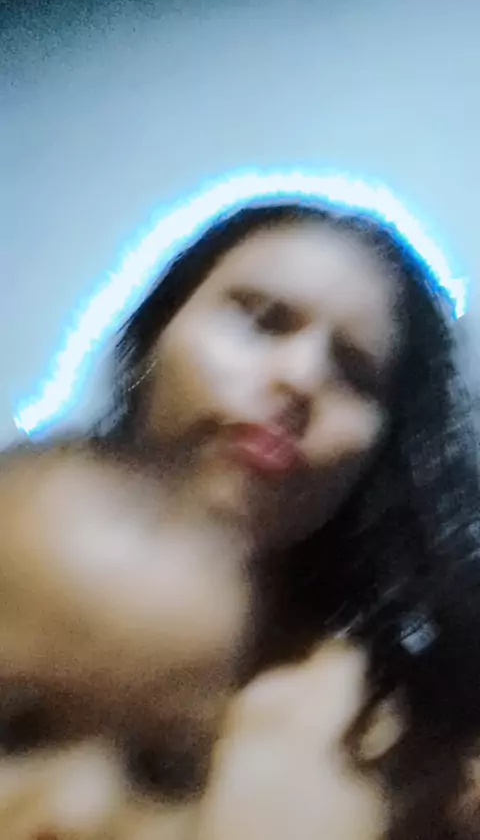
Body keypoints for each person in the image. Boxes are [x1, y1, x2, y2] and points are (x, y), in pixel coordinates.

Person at [0, 197, 478, 838]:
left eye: (356, 373)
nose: (300, 379)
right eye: (261, 320)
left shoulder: (405, 742)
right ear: (151, 340)